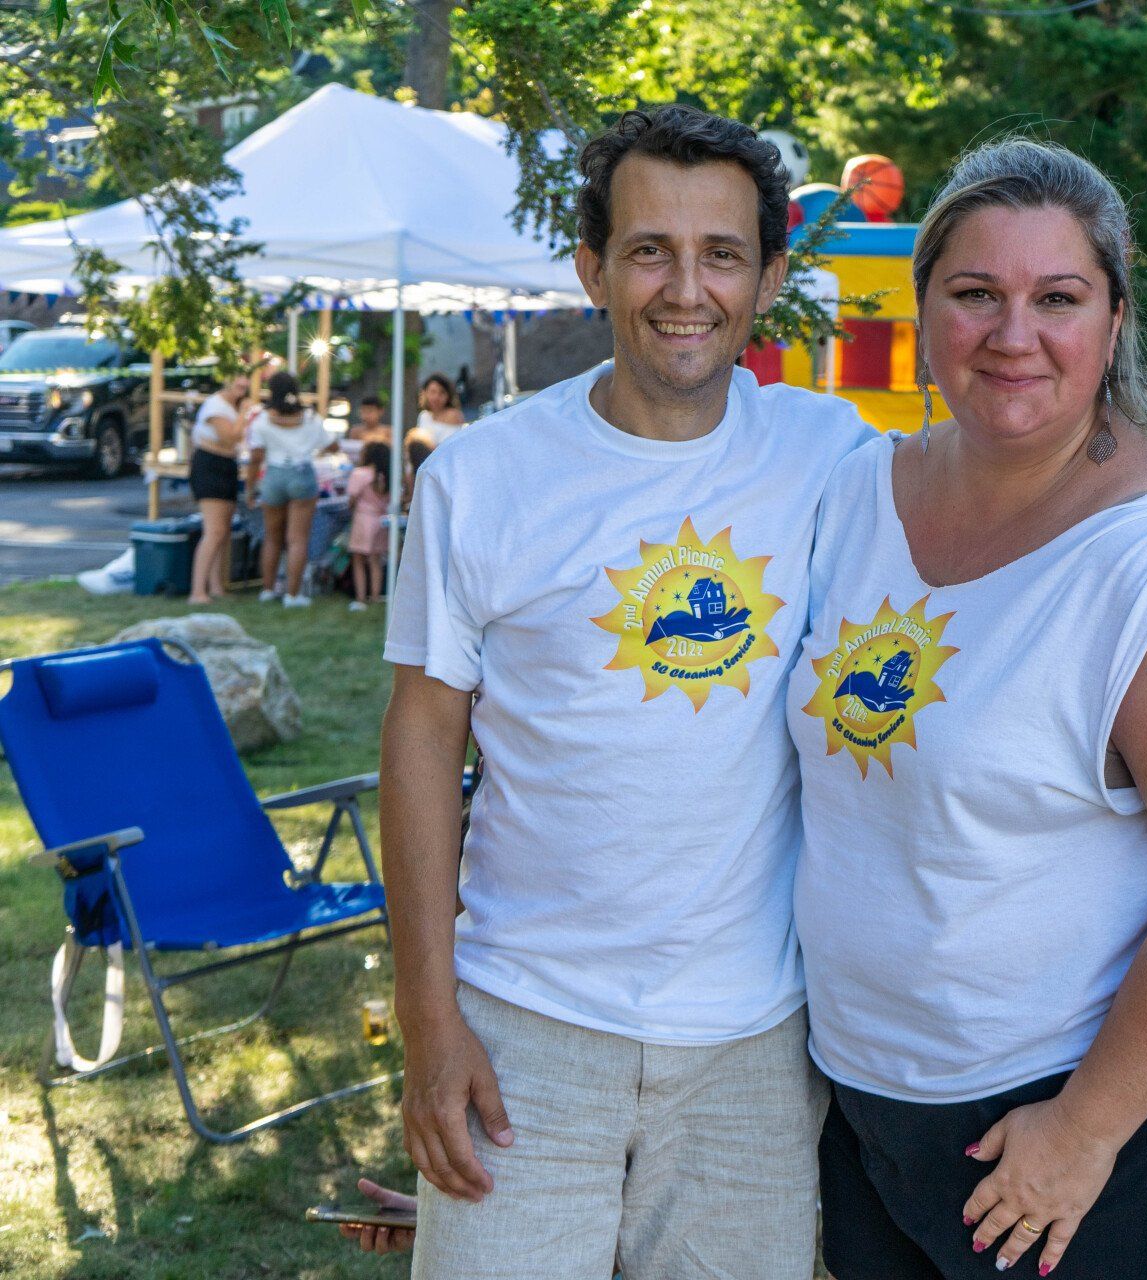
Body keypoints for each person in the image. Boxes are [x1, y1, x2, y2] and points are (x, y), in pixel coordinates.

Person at [788, 139, 1147, 1280]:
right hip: (873, 1107)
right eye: (975, 294)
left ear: (1115, 321)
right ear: (923, 306)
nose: (1012, 334)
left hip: (1083, 1135)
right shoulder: (855, 495)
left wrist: (1083, 1132)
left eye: (1058, 298)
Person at [381, 104, 871, 1280]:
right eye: (650, 249)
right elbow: (419, 734)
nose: (684, 287)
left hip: (756, 1038)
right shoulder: (483, 477)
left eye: (722, 254)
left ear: (770, 275)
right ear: (593, 268)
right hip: (522, 1018)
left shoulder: (837, 455)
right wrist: (429, 1021)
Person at [248, 370, 334, 607]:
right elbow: (331, 444)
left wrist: (249, 489)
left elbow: (255, 457)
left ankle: (267, 589)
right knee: (297, 539)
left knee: (272, 537)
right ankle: (293, 595)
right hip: (301, 473)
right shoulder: (311, 419)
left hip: (273, 474)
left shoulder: (262, 420)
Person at [187, 372, 251, 604]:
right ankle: (197, 591)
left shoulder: (230, 407)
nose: (242, 386)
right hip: (210, 468)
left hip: (226, 466)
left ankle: (215, 586)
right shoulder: (215, 406)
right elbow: (230, 438)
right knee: (213, 531)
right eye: (238, 382)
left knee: (223, 531)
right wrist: (244, 413)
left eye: (246, 385)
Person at [346, 439, 392, 612]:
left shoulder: (360, 474)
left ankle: (360, 598)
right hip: (381, 520)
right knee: (375, 560)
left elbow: (351, 498)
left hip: (363, 519)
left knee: (358, 559)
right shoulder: (388, 476)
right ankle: (374, 596)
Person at [414, 372, 466, 447]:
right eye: (433, 392)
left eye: (442, 393)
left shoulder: (454, 415)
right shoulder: (424, 416)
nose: (436, 397)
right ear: (425, 393)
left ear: (448, 396)